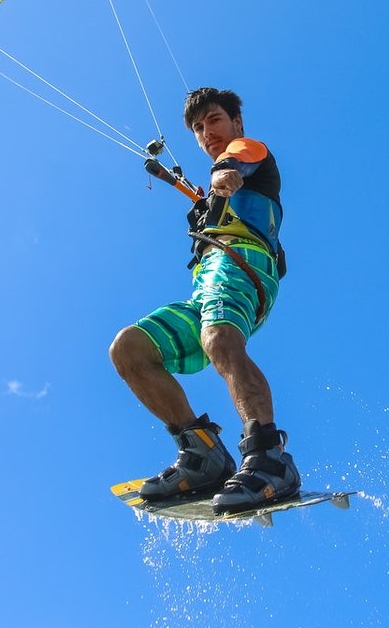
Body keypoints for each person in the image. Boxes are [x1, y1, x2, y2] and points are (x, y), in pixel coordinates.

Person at [110, 87, 300, 514]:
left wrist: (224, 173)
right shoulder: (208, 197)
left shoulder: (250, 151)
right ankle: (201, 451)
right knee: (130, 349)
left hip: (244, 265)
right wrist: (208, 200)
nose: (206, 132)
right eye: (198, 128)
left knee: (219, 339)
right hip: (206, 285)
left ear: (236, 122)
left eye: (213, 120)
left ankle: (269, 458)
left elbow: (239, 159)